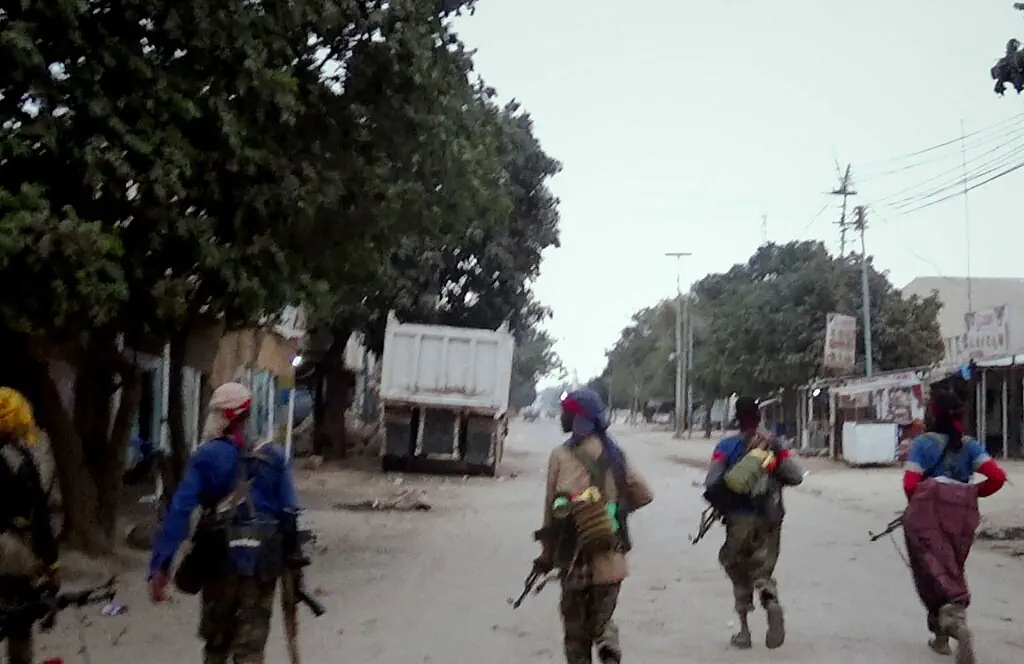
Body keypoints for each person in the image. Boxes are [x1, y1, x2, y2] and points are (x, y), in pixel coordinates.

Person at [149, 382, 301, 664]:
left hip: (220, 561)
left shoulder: (206, 456)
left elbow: (180, 512)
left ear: (226, 416)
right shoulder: (274, 456)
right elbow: (290, 514)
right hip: (262, 566)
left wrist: (161, 566)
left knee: (217, 647)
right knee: (250, 651)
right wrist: (291, 567)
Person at [534, 388, 653, 664]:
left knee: (576, 635)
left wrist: (546, 555)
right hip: (610, 559)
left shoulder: (561, 455)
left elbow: (551, 514)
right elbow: (644, 494)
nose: (563, 417)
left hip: (573, 560)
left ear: (578, 417)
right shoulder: (615, 454)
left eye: (567, 412)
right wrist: (613, 510)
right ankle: (608, 648)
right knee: (602, 621)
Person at [902, 389, 1006, 664]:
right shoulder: (971, 446)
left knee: (930, 571)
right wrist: (968, 494)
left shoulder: (924, 443)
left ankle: (951, 628)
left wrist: (926, 502)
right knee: (952, 567)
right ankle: (943, 634)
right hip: (962, 516)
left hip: (928, 514)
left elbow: (911, 485)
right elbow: (997, 478)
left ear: (933, 413)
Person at [703, 396, 804, 650]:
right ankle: (769, 598)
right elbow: (795, 476)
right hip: (771, 517)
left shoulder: (726, 446)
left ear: (737, 418)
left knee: (736, 567)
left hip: (739, 519)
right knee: (763, 567)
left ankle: (745, 632)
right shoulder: (774, 445)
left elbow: (712, 481)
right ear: (759, 417)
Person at [0, 387, 60, 664]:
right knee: (19, 634)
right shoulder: (20, 460)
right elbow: (40, 518)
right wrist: (51, 567)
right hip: (14, 561)